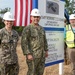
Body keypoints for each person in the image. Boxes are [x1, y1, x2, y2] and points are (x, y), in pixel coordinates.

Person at [21, 8, 48, 75]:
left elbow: (44, 40)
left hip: (41, 55)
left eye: (37, 17)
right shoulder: (27, 28)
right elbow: (24, 42)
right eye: (34, 17)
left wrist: (46, 50)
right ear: (31, 17)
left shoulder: (41, 28)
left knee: (40, 72)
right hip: (33, 55)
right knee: (32, 72)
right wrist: (28, 53)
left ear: (40, 18)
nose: (36, 18)